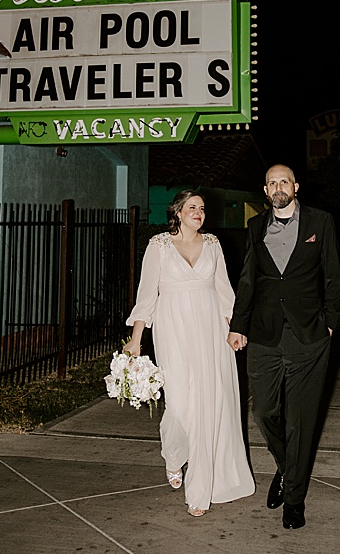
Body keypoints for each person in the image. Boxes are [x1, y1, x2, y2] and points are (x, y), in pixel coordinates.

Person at [227, 164, 340, 531]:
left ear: (295, 187)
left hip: (308, 336)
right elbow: (248, 280)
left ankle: (294, 500)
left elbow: (334, 276)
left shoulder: (320, 222)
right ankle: (286, 465)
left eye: (284, 181)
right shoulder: (255, 227)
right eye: (272, 182)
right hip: (263, 336)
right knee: (263, 411)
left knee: (301, 422)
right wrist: (237, 325)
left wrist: (330, 322)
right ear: (265, 190)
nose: (278, 187)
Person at [123, 190, 255, 517]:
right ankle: (173, 454)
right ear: (178, 213)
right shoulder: (159, 246)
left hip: (212, 332)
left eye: (202, 208)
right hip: (173, 331)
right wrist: (136, 339)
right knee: (180, 405)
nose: (199, 212)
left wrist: (235, 328)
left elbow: (225, 292)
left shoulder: (212, 244)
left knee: (208, 406)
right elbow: (146, 296)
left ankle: (200, 488)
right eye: (192, 207)